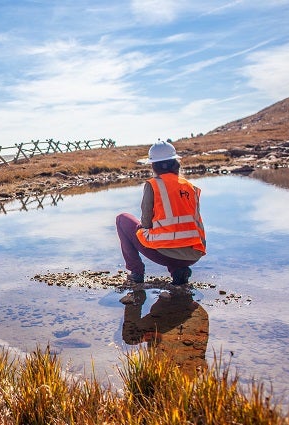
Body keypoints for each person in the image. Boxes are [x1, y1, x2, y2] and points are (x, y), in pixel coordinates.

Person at [115, 141, 206, 286]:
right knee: (170, 233)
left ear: (153, 164)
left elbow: (146, 223)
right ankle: (178, 271)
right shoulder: (190, 187)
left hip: (166, 254)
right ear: (175, 162)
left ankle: (136, 272)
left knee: (122, 220)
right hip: (194, 253)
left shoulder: (153, 184)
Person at [121, 289, 209, 375]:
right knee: (131, 337)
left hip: (183, 313)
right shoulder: (189, 369)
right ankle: (146, 299)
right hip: (186, 312)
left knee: (130, 337)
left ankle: (138, 298)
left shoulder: (170, 370)